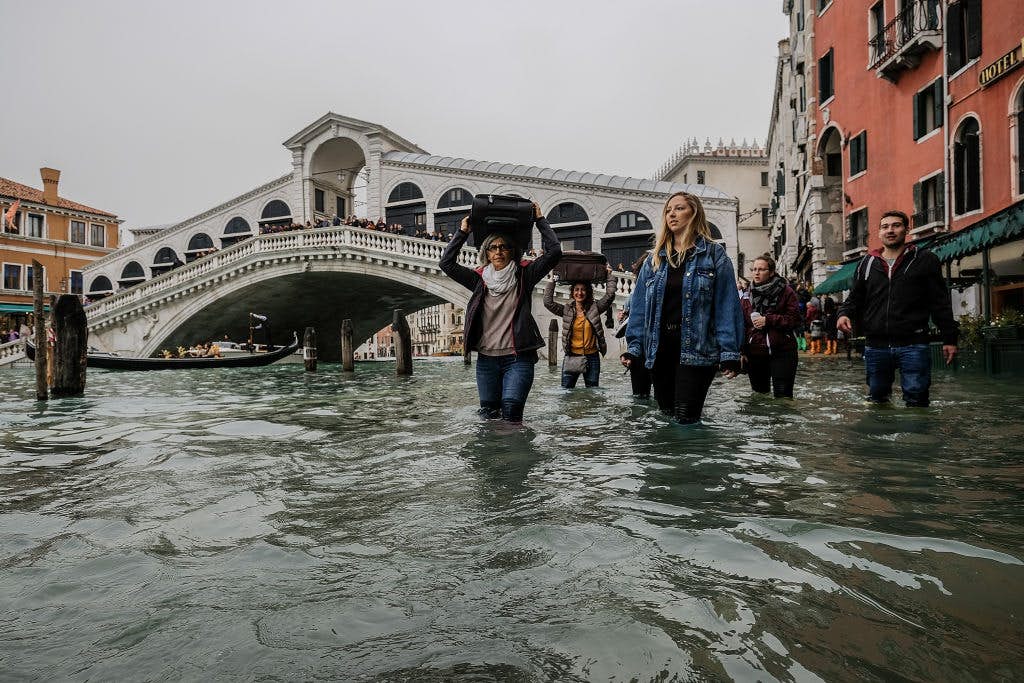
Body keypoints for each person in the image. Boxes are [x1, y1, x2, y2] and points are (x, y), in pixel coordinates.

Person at [620, 191, 744, 425]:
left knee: (686, 419)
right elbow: (638, 309)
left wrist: (730, 352)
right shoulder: (654, 259)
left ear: (694, 213)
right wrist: (634, 348)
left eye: (679, 208)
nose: (671, 214)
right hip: (660, 350)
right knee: (666, 417)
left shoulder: (714, 254)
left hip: (697, 350)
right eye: (668, 210)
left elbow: (727, 305)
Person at [439, 202, 561, 422]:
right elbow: (446, 263)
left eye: (504, 247)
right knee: (488, 417)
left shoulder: (525, 275)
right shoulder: (478, 280)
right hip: (486, 361)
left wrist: (540, 220)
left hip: (518, 359)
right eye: (493, 247)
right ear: (486, 252)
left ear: (512, 251)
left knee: (512, 414)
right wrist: (462, 232)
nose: (499, 252)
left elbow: (554, 252)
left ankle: (514, 454)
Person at [837, 210, 958, 407]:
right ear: (879, 233)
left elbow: (940, 302)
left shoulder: (925, 259)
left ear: (906, 230)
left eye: (896, 225)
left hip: (914, 343)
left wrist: (949, 339)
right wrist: (843, 314)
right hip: (876, 345)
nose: (890, 230)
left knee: (917, 399)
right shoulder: (866, 263)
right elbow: (855, 298)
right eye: (885, 227)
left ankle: (914, 437)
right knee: (877, 400)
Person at [543, 265, 616, 388]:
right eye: (576, 290)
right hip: (572, 356)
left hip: (592, 357)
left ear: (588, 292)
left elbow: (610, 295)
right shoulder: (566, 310)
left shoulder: (595, 308)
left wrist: (610, 275)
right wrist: (552, 280)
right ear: (572, 292)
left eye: (583, 290)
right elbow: (548, 302)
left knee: (593, 394)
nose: (579, 293)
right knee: (566, 393)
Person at [741, 254, 801, 398]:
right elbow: (741, 323)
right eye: (754, 269)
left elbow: (794, 319)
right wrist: (741, 351)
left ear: (771, 272)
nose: (756, 272)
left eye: (761, 269)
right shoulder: (746, 294)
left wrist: (768, 320)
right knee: (759, 396)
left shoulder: (786, 291)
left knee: (783, 396)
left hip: (783, 351)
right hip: (755, 351)